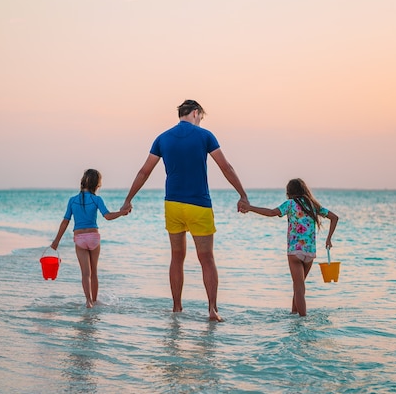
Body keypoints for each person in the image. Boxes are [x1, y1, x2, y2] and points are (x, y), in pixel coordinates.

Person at [121, 100, 250, 322]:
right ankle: (212, 310)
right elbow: (226, 167)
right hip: (198, 204)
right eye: (200, 117)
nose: (200, 121)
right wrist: (243, 195)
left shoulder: (162, 138)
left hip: (172, 205)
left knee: (176, 257)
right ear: (195, 113)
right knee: (207, 258)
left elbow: (144, 172)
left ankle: (177, 308)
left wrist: (127, 200)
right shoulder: (205, 136)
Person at [240, 178, 339, 316]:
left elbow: (271, 212)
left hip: (295, 252)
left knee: (299, 289)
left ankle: (302, 320)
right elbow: (335, 217)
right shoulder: (313, 205)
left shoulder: (290, 204)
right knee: (299, 286)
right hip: (309, 253)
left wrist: (250, 208)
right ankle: (293, 314)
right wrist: (329, 239)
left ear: (289, 192)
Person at [51, 169, 129, 308]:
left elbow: (65, 221)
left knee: (85, 274)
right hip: (93, 238)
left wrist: (56, 241)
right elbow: (108, 216)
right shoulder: (97, 199)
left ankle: (88, 301)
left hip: (80, 238)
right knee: (94, 272)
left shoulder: (72, 200)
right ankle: (94, 300)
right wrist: (122, 213)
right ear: (96, 184)